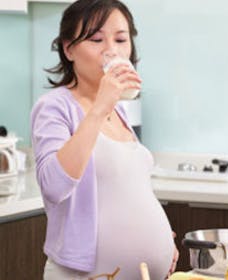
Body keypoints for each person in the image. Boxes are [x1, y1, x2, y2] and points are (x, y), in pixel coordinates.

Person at [30, 0, 178, 279]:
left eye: (121, 39)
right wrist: (99, 107)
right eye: (96, 39)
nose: (112, 49)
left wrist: (161, 241)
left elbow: (123, 189)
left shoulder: (119, 109)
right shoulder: (54, 106)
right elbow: (53, 185)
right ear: (68, 48)